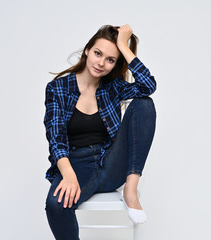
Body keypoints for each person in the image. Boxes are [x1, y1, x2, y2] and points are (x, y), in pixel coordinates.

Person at [43, 24, 157, 239]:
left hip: (111, 162)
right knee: (56, 206)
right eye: (98, 53)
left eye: (110, 59)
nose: (101, 63)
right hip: (76, 166)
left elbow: (148, 86)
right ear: (87, 50)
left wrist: (124, 46)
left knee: (145, 104)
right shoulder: (57, 88)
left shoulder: (113, 86)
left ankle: (130, 191)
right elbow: (56, 138)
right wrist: (68, 175)